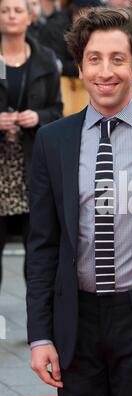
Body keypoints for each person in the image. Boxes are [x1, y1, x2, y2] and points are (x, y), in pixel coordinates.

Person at [27, 6, 132, 396]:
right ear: (80, 68)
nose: (105, 71)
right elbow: (42, 245)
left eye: (118, 59)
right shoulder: (53, 142)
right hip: (75, 319)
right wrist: (39, 336)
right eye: (94, 59)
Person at [0, 0, 62, 291]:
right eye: (4, 10)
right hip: (2, 166)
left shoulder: (45, 59)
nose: (11, 16)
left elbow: (57, 111)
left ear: (29, 16)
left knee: (36, 252)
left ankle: (37, 328)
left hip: (31, 164)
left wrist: (37, 116)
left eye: (17, 10)